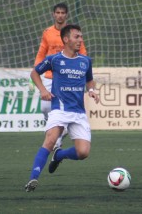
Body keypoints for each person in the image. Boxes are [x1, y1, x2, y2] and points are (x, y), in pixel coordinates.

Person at [25, 24, 99, 192]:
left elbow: (89, 80)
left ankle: (59, 155)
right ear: (66, 39)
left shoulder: (85, 61)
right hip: (59, 110)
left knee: (83, 153)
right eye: (77, 37)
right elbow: (34, 73)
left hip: (78, 112)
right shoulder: (54, 59)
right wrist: (43, 90)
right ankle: (33, 179)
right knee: (50, 140)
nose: (80, 40)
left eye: (81, 36)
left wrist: (92, 90)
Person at [30, 2, 88, 149]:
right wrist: (36, 68)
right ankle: (56, 130)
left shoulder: (73, 33)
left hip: (68, 75)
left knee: (67, 106)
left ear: (66, 15)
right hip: (50, 75)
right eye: (58, 13)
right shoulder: (47, 32)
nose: (60, 15)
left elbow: (83, 52)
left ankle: (57, 137)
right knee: (44, 108)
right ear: (53, 14)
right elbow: (42, 52)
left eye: (63, 13)